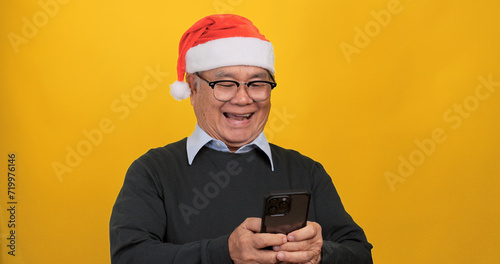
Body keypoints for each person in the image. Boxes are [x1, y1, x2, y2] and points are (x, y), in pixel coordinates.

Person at [109, 14, 373, 264]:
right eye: (225, 84)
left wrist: (320, 253)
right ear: (192, 87)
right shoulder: (153, 171)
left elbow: (360, 254)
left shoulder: (306, 171)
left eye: (257, 84)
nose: (244, 98)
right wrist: (225, 253)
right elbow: (129, 257)